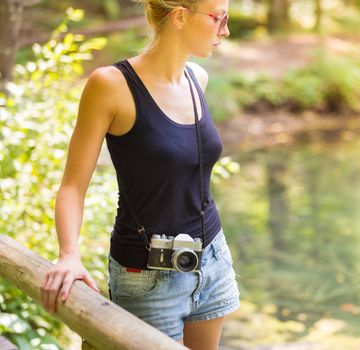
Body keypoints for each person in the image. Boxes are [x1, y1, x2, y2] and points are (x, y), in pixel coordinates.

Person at [40, 0, 240, 348]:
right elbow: (72, 187)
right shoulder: (111, 85)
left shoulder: (197, 79)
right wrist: (69, 254)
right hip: (146, 276)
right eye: (218, 18)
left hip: (212, 261)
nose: (225, 29)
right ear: (179, 16)